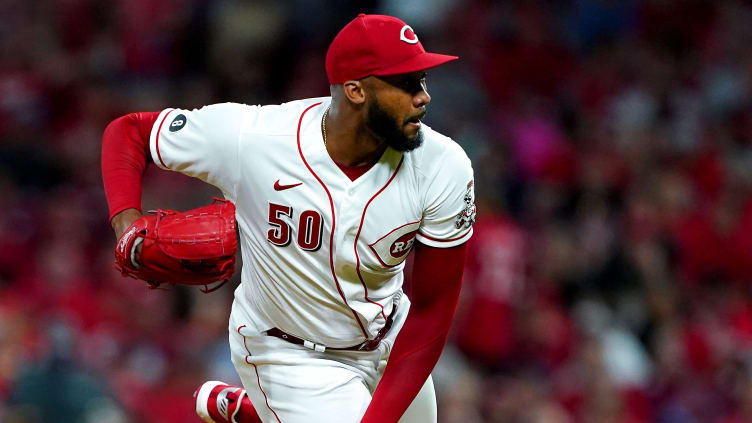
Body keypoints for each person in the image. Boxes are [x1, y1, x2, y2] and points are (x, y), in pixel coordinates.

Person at [101, 13, 475, 423]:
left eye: (422, 80)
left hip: (389, 339)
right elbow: (129, 132)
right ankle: (269, 404)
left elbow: (433, 310)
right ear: (355, 90)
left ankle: (255, 414)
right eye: (406, 84)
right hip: (288, 353)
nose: (423, 96)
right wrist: (127, 223)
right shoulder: (255, 139)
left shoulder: (442, 165)